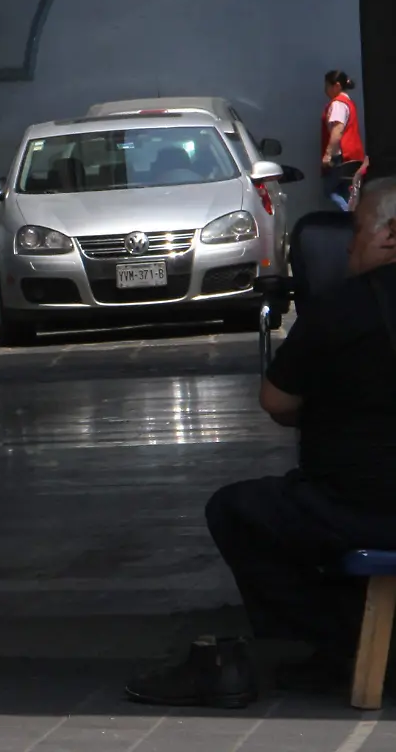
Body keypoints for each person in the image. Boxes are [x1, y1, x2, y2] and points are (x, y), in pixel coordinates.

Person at [126, 179, 396, 706]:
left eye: (358, 230)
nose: (348, 246)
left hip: (357, 507)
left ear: (390, 235)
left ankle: (337, 642)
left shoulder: (340, 309)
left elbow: (275, 401)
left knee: (238, 511)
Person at [321, 70, 367, 211]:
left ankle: (350, 214)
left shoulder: (338, 104)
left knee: (330, 190)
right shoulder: (348, 103)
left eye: (327, 86)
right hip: (353, 155)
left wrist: (328, 154)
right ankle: (351, 214)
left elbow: (337, 130)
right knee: (347, 191)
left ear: (336, 86)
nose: (325, 90)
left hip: (342, 156)